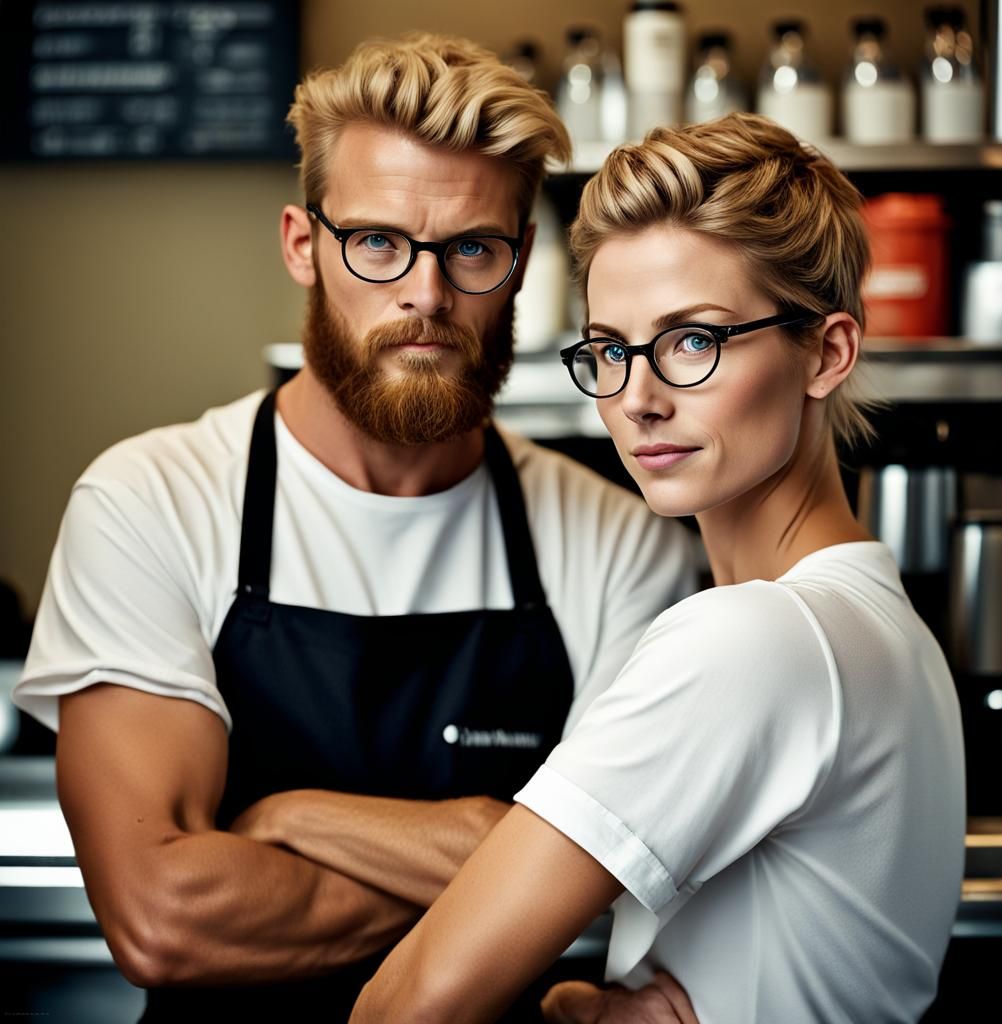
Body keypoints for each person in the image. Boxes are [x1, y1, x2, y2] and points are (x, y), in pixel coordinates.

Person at [12, 35, 697, 1022]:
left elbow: (624, 888)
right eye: (377, 241)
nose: (425, 294)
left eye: (472, 247)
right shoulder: (151, 503)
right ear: (303, 243)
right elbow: (162, 916)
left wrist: (293, 819)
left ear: (520, 261)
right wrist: (508, 856)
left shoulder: (622, 546)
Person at [348, 113, 967, 1024]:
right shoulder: (888, 633)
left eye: (693, 341)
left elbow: (407, 1006)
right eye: (609, 349)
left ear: (827, 353)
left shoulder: (752, 638)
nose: (636, 399)